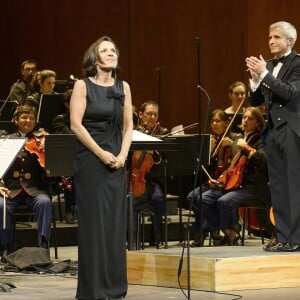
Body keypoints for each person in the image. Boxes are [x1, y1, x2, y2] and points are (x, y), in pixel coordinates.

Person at [70, 36, 133, 300]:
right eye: (104, 51)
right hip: (91, 162)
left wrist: (122, 156)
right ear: (94, 59)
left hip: (116, 162)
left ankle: (114, 288)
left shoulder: (124, 87)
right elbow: (76, 125)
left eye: (113, 50)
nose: (110, 54)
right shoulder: (82, 86)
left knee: (115, 225)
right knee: (94, 225)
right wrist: (101, 153)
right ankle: (93, 290)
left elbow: (128, 126)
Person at [246, 21, 300, 252]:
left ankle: (296, 238)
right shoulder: (267, 66)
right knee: (277, 186)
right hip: (272, 132)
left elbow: (289, 92)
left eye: (276, 37)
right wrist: (255, 79)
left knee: (293, 186)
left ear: (290, 41)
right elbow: (256, 102)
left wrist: (265, 74)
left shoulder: (298, 63)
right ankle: (283, 237)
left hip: (291, 130)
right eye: (269, 37)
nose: (271, 41)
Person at [197, 107, 268, 246]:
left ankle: (231, 233)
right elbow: (232, 167)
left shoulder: (262, 140)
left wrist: (246, 148)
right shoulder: (240, 139)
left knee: (224, 201)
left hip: (253, 187)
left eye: (250, 118)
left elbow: (264, 161)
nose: (245, 120)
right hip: (236, 183)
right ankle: (229, 229)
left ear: (258, 123)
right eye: (244, 117)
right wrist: (219, 180)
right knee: (204, 198)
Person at [0, 105, 52, 255]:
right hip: (11, 188)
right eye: (24, 117)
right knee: (1, 205)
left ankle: (43, 248)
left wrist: (48, 157)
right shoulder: (6, 140)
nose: (28, 121)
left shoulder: (42, 140)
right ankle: (7, 249)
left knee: (45, 202)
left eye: (31, 118)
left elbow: (52, 168)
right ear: (16, 120)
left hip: (35, 189)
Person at [186, 109, 236, 246]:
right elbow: (204, 169)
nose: (214, 124)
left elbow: (237, 164)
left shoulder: (234, 138)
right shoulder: (211, 141)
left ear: (226, 123)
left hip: (228, 182)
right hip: (212, 182)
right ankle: (213, 228)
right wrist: (209, 152)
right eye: (212, 121)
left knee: (202, 198)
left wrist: (232, 146)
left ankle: (204, 232)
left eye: (218, 121)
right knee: (191, 197)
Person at [132, 100, 168, 248]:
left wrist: (156, 154)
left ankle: (157, 236)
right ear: (140, 115)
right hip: (134, 177)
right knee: (129, 200)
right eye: (149, 114)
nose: (152, 117)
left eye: (155, 114)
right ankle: (133, 238)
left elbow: (163, 162)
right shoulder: (134, 132)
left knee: (159, 199)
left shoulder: (163, 133)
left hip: (152, 179)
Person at [52, 89, 76, 224]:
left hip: (86, 157)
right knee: (70, 172)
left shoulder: (89, 120)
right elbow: (69, 137)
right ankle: (69, 209)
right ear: (67, 104)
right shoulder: (59, 120)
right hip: (66, 160)